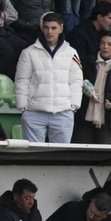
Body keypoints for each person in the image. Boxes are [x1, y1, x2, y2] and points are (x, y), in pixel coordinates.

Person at [14, 12, 83, 144]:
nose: (49, 31)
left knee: (61, 157)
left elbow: (76, 81)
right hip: (34, 112)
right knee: (33, 156)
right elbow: (21, 81)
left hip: (63, 112)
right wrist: (23, 107)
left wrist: (73, 106)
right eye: (46, 27)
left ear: (61, 28)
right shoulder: (28, 52)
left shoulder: (71, 53)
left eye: (53, 28)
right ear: (42, 28)